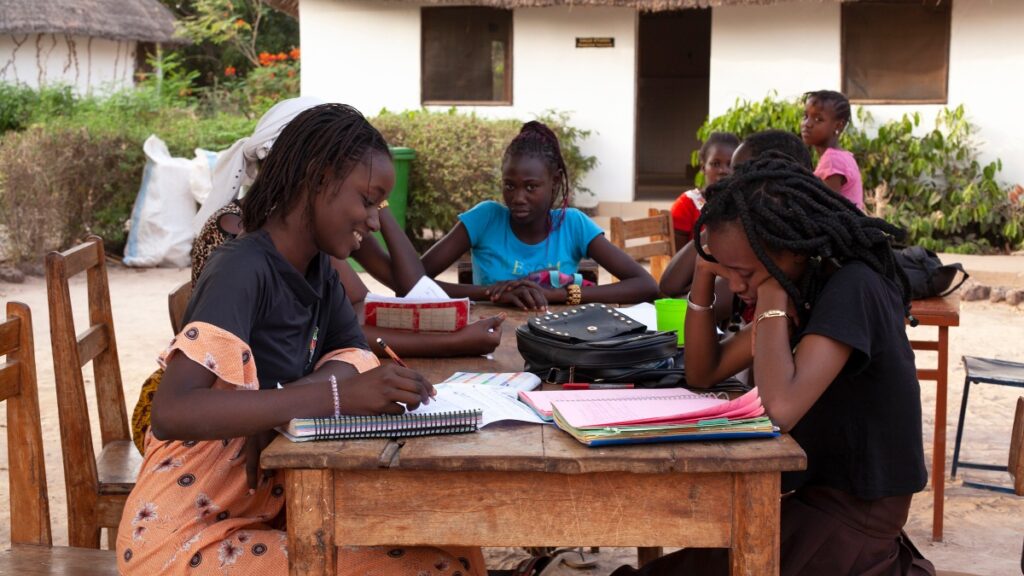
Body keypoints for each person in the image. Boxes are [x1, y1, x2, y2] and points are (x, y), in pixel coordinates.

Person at [117, 103, 486, 576]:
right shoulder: (240, 268)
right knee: (433, 566)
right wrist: (328, 396)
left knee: (454, 543)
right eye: (368, 200)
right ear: (317, 177)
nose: (374, 221)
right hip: (184, 537)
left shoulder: (318, 272)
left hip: (255, 515)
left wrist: (290, 403)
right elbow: (172, 411)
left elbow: (351, 355)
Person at [615, 153, 934, 576]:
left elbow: (778, 410)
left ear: (793, 251)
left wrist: (770, 295)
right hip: (810, 507)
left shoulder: (852, 287)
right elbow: (703, 372)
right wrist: (706, 278)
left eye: (745, 271)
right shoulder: (804, 283)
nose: (738, 285)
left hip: (851, 527)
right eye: (728, 271)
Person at [422, 121, 657, 310]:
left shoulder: (572, 224)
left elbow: (645, 285)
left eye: (531, 187)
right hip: (489, 344)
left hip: (557, 344)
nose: (518, 197)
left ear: (554, 182)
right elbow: (413, 282)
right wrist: (492, 293)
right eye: (510, 186)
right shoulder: (485, 219)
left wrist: (559, 294)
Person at [659, 130, 814, 330]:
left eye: (741, 174)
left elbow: (681, 299)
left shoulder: (765, 257)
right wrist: (723, 220)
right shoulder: (749, 246)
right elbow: (668, 286)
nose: (729, 178)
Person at [668, 132, 739, 250]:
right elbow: (676, 258)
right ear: (703, 168)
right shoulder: (686, 205)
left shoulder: (747, 203)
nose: (723, 170)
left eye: (730, 164)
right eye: (715, 164)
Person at [801, 89, 864, 210]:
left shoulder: (832, 160)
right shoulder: (843, 156)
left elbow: (827, 210)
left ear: (838, 125)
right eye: (805, 116)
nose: (807, 124)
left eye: (818, 119)